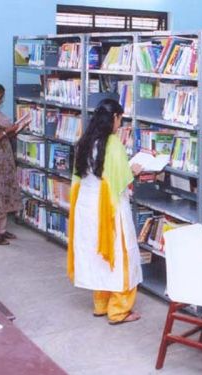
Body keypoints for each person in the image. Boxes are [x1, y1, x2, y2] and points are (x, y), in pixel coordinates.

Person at [67, 98, 143, 325]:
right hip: (109, 207)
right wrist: (135, 171)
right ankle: (119, 310)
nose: (120, 124)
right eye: (120, 119)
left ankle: (100, 305)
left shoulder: (84, 141)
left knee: (96, 254)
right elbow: (120, 179)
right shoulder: (113, 143)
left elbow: (81, 174)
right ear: (114, 118)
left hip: (86, 205)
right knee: (121, 255)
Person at [0, 81, 29, 245]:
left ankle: (2, 230)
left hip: (4, 159)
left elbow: (4, 135)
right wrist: (6, 131)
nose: (0, 100)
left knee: (4, 192)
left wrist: (15, 130)